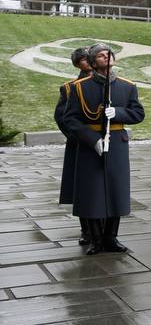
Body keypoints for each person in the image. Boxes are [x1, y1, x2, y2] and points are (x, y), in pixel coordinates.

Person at [60, 43, 145, 255]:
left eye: (108, 53)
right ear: (92, 62)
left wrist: (117, 113)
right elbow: (70, 119)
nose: (106, 57)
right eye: (100, 55)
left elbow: (138, 114)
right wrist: (92, 139)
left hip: (117, 143)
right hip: (91, 146)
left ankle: (111, 238)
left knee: (115, 190)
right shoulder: (79, 87)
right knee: (92, 192)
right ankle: (96, 240)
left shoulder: (127, 86)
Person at [55, 47, 93, 245]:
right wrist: (79, 137)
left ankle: (105, 229)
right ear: (78, 63)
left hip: (104, 142)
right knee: (81, 188)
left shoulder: (108, 82)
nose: (89, 61)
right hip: (79, 144)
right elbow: (62, 118)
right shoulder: (70, 87)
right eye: (85, 59)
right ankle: (86, 229)